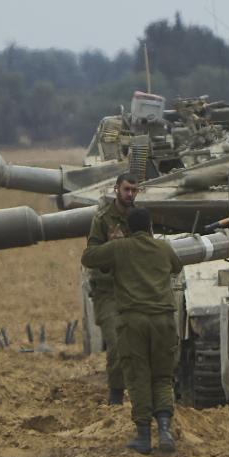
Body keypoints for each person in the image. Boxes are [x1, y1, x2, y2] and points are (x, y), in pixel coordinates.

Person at [80, 205, 184, 455]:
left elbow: (88, 258)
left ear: (129, 228)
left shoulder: (120, 248)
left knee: (139, 377)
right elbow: (176, 267)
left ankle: (143, 436)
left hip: (134, 321)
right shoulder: (163, 247)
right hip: (163, 320)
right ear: (150, 227)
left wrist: (113, 243)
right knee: (162, 377)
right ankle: (165, 430)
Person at [85, 173, 138, 405]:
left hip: (135, 290)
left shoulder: (140, 218)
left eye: (134, 190)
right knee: (116, 344)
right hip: (108, 292)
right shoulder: (103, 220)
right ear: (116, 189)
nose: (130, 194)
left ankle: (142, 396)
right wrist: (113, 249)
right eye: (126, 189)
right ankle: (116, 396)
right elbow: (90, 256)